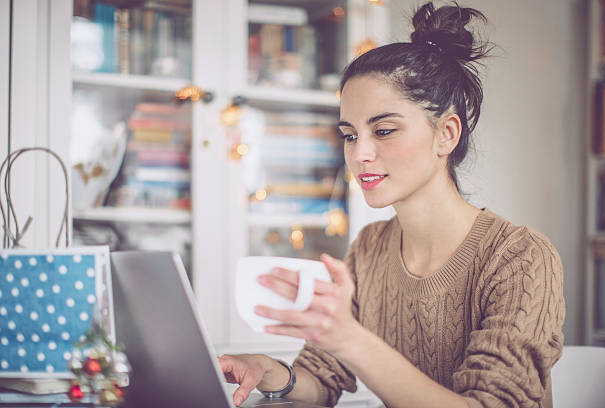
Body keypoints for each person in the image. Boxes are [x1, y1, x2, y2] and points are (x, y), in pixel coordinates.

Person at [218, 2, 565, 407]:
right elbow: (322, 378)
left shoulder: (520, 258)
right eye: (350, 135)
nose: (360, 153)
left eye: (383, 130)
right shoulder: (370, 249)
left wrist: (349, 336)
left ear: (446, 134)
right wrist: (268, 371)